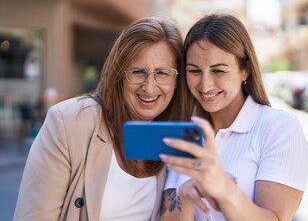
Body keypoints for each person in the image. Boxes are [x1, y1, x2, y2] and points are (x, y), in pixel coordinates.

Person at [13, 16, 192, 221]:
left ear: (177, 80)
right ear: (118, 73)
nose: (149, 86)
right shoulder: (68, 123)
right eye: (138, 72)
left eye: (163, 73)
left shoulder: (174, 136)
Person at [160, 13, 308, 221]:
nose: (205, 85)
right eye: (194, 71)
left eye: (219, 71)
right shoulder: (184, 133)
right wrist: (186, 196)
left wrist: (223, 188)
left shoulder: (279, 128)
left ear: (245, 70)